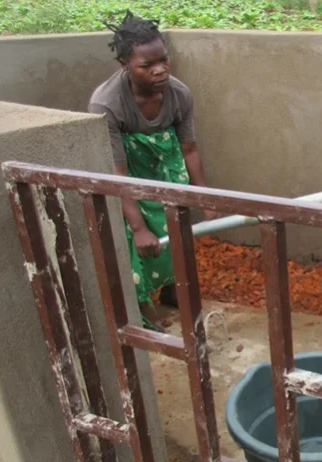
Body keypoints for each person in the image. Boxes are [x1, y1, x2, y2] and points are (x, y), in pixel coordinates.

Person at [89, 10, 220, 329]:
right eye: (147, 65)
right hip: (129, 176)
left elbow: (189, 149)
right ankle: (142, 306)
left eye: (163, 60)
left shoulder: (179, 94)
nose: (160, 70)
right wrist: (138, 226)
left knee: (177, 228)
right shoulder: (107, 104)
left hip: (167, 169)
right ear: (125, 66)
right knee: (140, 245)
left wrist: (204, 198)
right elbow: (117, 172)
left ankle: (173, 292)